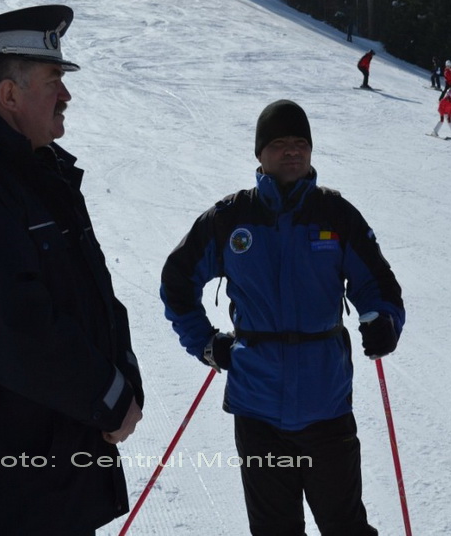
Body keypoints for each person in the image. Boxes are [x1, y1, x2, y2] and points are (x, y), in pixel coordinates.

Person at [0, 5, 144, 534]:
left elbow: (93, 295)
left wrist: (124, 377)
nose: (67, 95)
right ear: (9, 95)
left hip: (45, 481)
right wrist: (107, 397)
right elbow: (15, 330)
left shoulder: (37, 173)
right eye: (54, 80)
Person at [161, 99, 405, 535]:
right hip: (257, 408)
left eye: (300, 142)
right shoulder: (231, 219)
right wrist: (206, 343)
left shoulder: (336, 215)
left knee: (345, 526)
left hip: (326, 403)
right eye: (278, 143)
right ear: (260, 153)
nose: (292, 151)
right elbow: (177, 281)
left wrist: (383, 320)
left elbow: (378, 284)